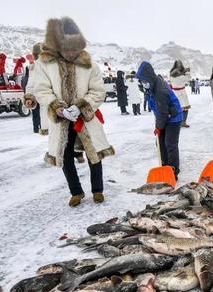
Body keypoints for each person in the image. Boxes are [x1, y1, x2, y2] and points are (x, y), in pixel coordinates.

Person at [25, 17, 114, 207]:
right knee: (65, 156)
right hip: (61, 120)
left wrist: (81, 106)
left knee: (94, 153)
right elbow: (41, 90)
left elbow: (98, 91)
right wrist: (57, 108)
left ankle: (97, 190)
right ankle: (76, 192)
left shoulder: (90, 64)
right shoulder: (44, 64)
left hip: (85, 119)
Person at [136, 60, 184, 179]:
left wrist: (158, 127)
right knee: (160, 143)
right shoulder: (151, 85)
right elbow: (158, 110)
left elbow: (162, 112)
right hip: (164, 116)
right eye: (141, 80)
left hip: (174, 118)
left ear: (148, 77)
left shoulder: (160, 90)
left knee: (170, 144)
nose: (143, 82)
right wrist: (159, 125)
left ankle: (173, 171)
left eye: (143, 80)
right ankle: (165, 167)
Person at [22, 42, 45, 134]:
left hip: (54, 102)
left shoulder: (54, 67)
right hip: (39, 99)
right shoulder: (33, 69)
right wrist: (29, 97)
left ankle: (38, 128)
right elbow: (30, 85)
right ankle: (37, 129)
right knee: (37, 115)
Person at [169, 60, 191, 127]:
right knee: (185, 108)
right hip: (182, 93)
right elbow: (188, 78)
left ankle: (175, 122)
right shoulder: (181, 76)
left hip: (174, 93)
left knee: (176, 108)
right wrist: (187, 72)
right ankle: (183, 122)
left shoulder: (170, 75)